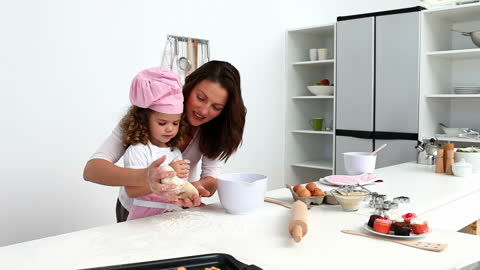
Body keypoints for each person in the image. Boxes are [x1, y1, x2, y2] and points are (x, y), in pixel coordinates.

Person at [83, 61, 247, 222]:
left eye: (216, 107)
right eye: (200, 98)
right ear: (188, 87)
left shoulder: (214, 131)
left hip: (173, 209)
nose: (204, 111)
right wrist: (147, 177)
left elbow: (211, 179)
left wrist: (194, 190)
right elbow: (92, 170)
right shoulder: (149, 113)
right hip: (133, 211)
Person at [122, 67, 190, 220]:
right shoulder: (138, 150)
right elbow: (132, 190)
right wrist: (168, 174)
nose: (169, 129)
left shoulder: (175, 152)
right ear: (145, 121)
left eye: (175, 123)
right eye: (162, 123)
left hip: (171, 216)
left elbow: (177, 189)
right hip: (144, 218)